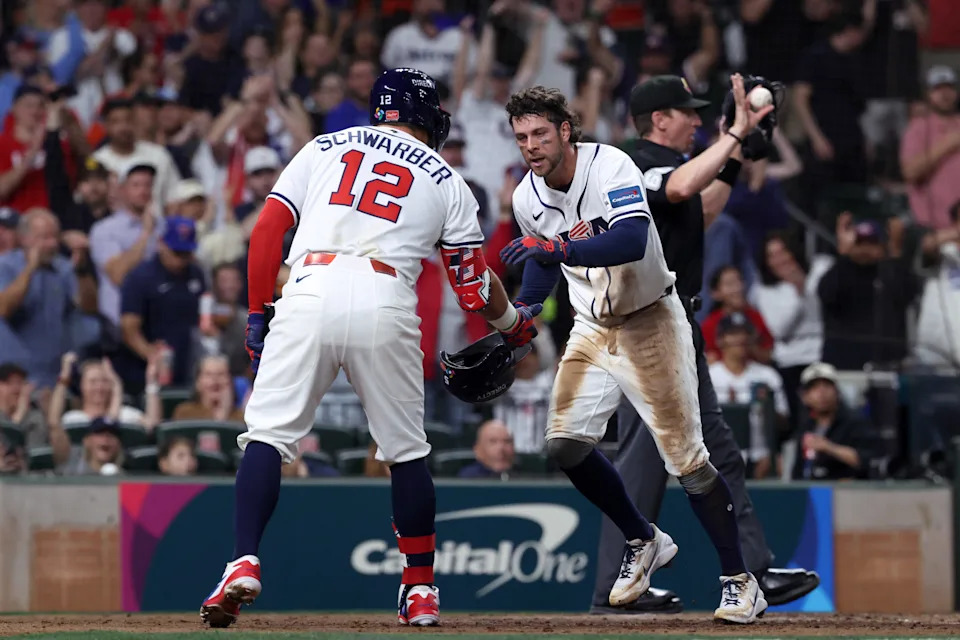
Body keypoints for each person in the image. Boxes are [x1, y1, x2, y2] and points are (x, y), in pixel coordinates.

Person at [199, 68, 540, 629]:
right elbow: (473, 287)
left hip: (308, 288)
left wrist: (259, 311)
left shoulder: (324, 145)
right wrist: (514, 325)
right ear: (426, 118)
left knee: (268, 435)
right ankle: (420, 589)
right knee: (405, 452)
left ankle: (242, 562)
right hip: (386, 296)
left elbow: (266, 232)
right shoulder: (447, 177)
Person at [500, 85, 762, 623]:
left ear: (565, 131)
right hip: (592, 326)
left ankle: (740, 580)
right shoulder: (527, 196)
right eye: (522, 135)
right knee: (564, 446)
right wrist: (525, 312)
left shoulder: (611, 164)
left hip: (653, 320)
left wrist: (554, 248)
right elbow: (543, 267)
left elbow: (631, 240)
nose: (530, 145)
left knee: (689, 463)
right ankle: (643, 538)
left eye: (540, 133)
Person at [589, 74, 819, 615]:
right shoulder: (631, 160)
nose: (696, 120)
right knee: (642, 469)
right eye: (686, 112)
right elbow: (680, 189)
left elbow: (703, 207)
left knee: (718, 453)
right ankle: (613, 591)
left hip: (676, 327)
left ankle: (755, 572)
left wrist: (734, 156)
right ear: (659, 119)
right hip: (646, 330)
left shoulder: (675, 167)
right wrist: (734, 136)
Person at [708, 313, 791, 479]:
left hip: (760, 458)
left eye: (744, 333)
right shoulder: (709, 376)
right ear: (720, 340)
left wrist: (767, 405)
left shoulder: (767, 375)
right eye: (733, 333)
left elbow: (784, 423)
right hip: (716, 458)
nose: (740, 339)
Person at [792, 362, 882, 481]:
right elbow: (797, 472)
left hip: (848, 491)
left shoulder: (855, 422)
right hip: (814, 492)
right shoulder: (806, 428)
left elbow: (868, 461)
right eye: (814, 388)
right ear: (805, 397)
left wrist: (828, 447)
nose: (821, 393)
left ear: (837, 391)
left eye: (827, 386)